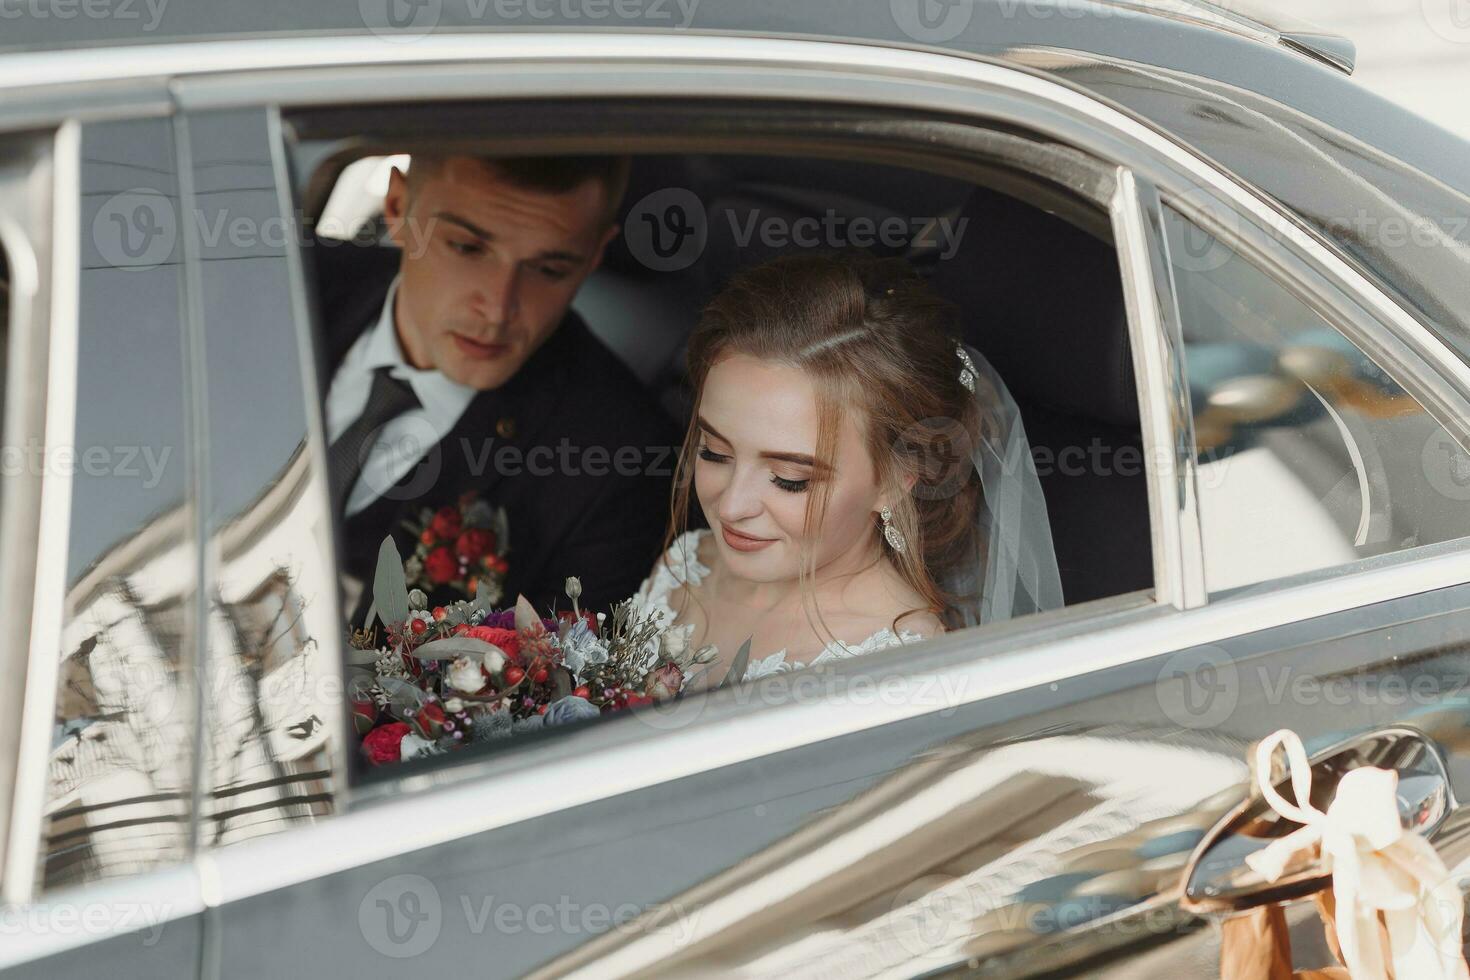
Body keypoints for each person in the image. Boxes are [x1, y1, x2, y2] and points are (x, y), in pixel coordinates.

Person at [633, 250, 1062, 689]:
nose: (731, 506)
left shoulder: (893, 667)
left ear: (897, 477)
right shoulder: (685, 563)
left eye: (789, 479)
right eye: (714, 452)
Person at [314, 153, 676, 617]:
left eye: (549, 268)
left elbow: (557, 676)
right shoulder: (276, 280)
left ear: (594, 255)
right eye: (467, 247)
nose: (499, 309)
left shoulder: (617, 463)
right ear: (398, 205)